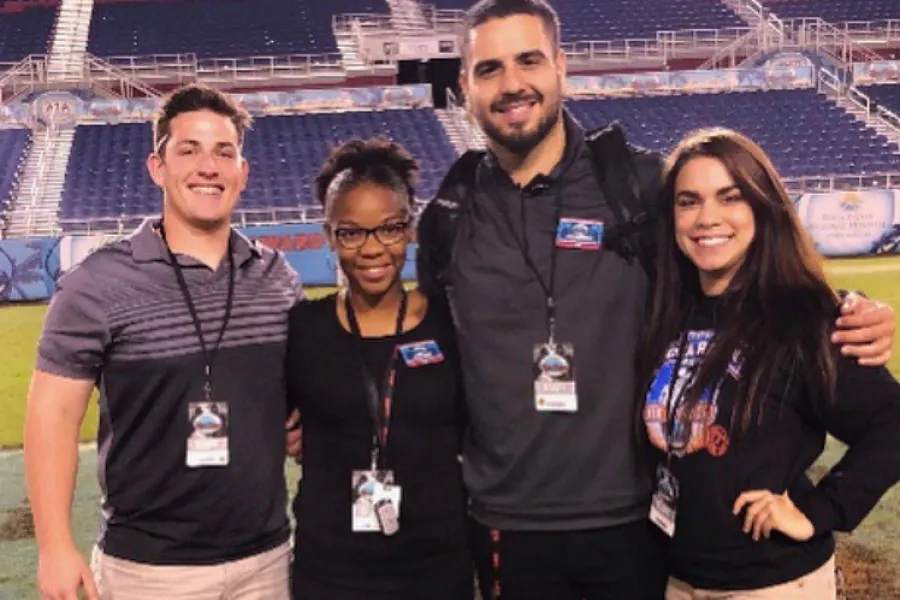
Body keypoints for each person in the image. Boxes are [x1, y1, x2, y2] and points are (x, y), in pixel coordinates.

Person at [414, 0, 898, 598]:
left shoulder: (638, 187)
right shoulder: (449, 214)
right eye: (489, 69)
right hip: (503, 524)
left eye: (529, 60)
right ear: (465, 84)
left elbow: (740, 271)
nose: (512, 84)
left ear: (561, 66)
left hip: (638, 523)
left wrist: (843, 311)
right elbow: (431, 355)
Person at [24, 83, 300, 600]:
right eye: (188, 150)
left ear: (243, 172)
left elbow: (293, 389)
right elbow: (52, 414)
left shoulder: (276, 278)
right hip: (149, 571)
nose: (208, 167)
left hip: (267, 560)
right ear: (157, 168)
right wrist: (55, 545)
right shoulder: (98, 283)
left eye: (224, 152)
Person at [640, 127, 900, 599]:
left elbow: (893, 422)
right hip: (679, 580)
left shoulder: (803, 317)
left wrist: (819, 511)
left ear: (761, 207)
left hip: (774, 584)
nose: (707, 217)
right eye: (688, 201)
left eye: (729, 197)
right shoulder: (666, 312)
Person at [286, 138, 472, 600]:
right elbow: (269, 417)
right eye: (351, 232)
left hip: (436, 564)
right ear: (329, 235)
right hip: (331, 570)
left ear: (410, 229)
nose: (372, 249)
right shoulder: (304, 329)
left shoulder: (449, 322)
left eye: (389, 228)